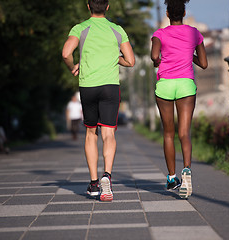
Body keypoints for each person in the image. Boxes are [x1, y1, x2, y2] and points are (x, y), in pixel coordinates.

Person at [62, 0, 135, 201]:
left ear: (88, 6)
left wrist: (72, 67)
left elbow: (66, 53)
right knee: (109, 133)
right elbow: (130, 61)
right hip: (110, 87)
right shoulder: (117, 29)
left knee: (91, 132)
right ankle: (107, 177)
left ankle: (94, 184)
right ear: (108, 7)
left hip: (88, 86)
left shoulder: (80, 28)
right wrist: (115, 56)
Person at [151, 0, 208, 199]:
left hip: (165, 84)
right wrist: (188, 55)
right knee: (184, 132)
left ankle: (171, 177)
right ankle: (187, 170)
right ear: (184, 12)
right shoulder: (194, 33)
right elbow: (204, 63)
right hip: (185, 84)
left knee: (168, 133)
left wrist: (161, 59)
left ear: (167, 13)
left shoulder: (160, 34)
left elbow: (154, 55)